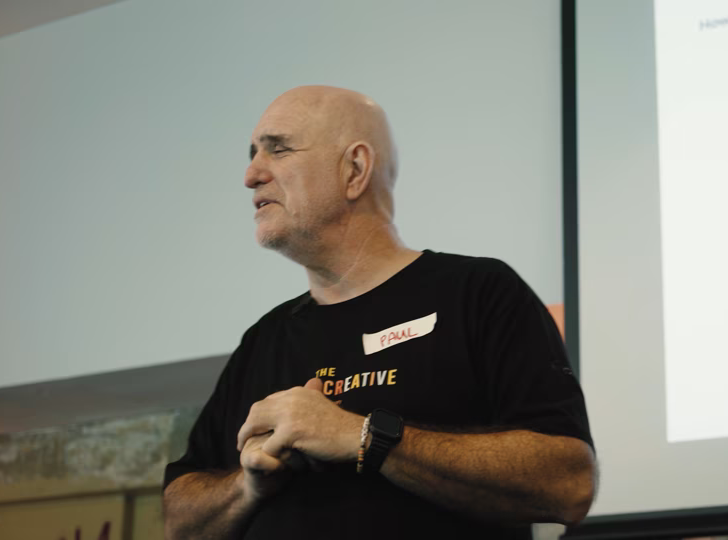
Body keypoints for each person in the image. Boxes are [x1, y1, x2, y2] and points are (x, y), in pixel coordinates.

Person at [161, 85, 597, 540]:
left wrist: (363, 437)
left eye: (279, 149)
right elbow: (179, 522)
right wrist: (247, 487)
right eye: (252, 154)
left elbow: (568, 485)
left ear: (355, 168)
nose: (251, 175)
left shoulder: (479, 293)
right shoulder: (263, 340)